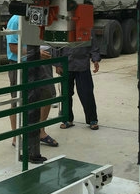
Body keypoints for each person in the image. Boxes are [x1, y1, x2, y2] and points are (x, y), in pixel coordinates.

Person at [6, 14, 58, 153]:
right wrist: (35, 53)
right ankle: (16, 136)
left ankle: (40, 131)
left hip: (37, 62)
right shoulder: (15, 20)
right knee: (17, 100)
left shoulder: (36, 16)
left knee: (47, 94)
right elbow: (13, 48)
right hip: (19, 64)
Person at [56, 33, 101, 130]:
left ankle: (92, 120)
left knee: (87, 93)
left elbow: (93, 44)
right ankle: (67, 119)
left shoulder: (86, 27)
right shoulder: (64, 27)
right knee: (66, 94)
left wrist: (95, 59)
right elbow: (56, 46)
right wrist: (58, 64)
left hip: (82, 65)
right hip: (66, 65)